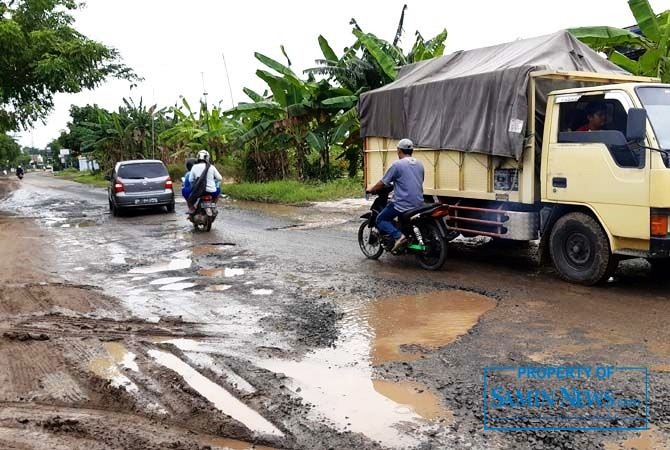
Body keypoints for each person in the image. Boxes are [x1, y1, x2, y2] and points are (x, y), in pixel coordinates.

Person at [366, 138, 425, 251]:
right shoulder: (420, 164)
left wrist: (371, 189)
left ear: (399, 151)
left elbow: (383, 183)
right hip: (419, 202)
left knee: (380, 219)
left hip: (402, 204)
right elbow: (418, 181)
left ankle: (399, 236)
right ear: (412, 151)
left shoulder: (397, 165)